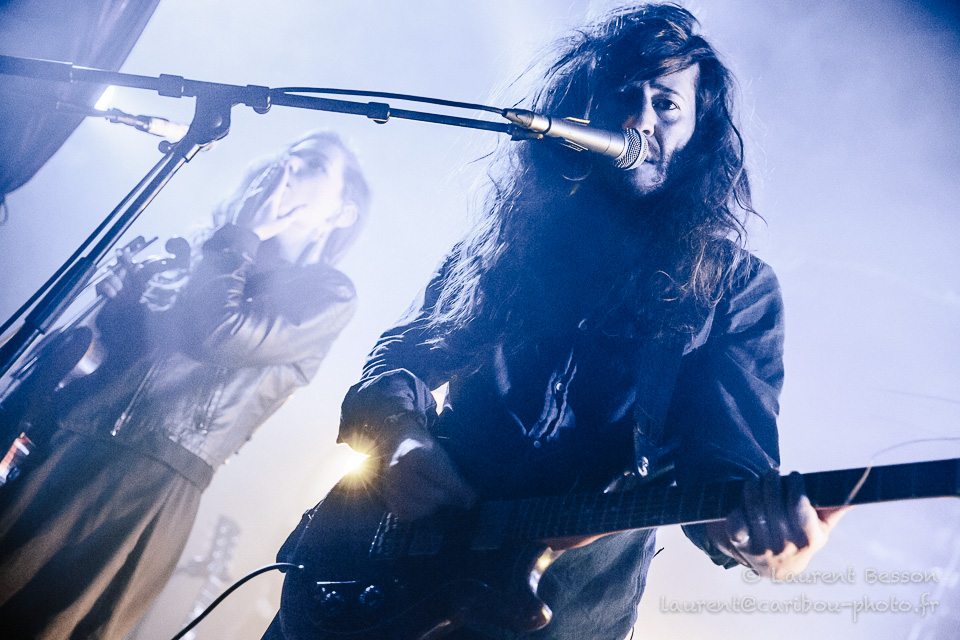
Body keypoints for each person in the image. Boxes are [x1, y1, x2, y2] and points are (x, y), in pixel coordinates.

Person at [267, 5, 846, 640]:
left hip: (559, 611)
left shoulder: (733, 289)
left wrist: (754, 535)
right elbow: (400, 359)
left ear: (697, 135)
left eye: (666, 105)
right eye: (622, 95)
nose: (639, 120)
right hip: (382, 563)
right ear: (583, 111)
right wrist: (400, 439)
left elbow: (724, 464)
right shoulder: (509, 243)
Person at [0, 130, 370, 639]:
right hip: (67, 441)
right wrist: (124, 307)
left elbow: (220, 334)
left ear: (341, 213)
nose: (291, 164)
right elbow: (131, 359)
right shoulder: (210, 254)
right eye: (292, 153)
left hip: (144, 481)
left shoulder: (326, 293)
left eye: (315, 165)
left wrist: (242, 237)